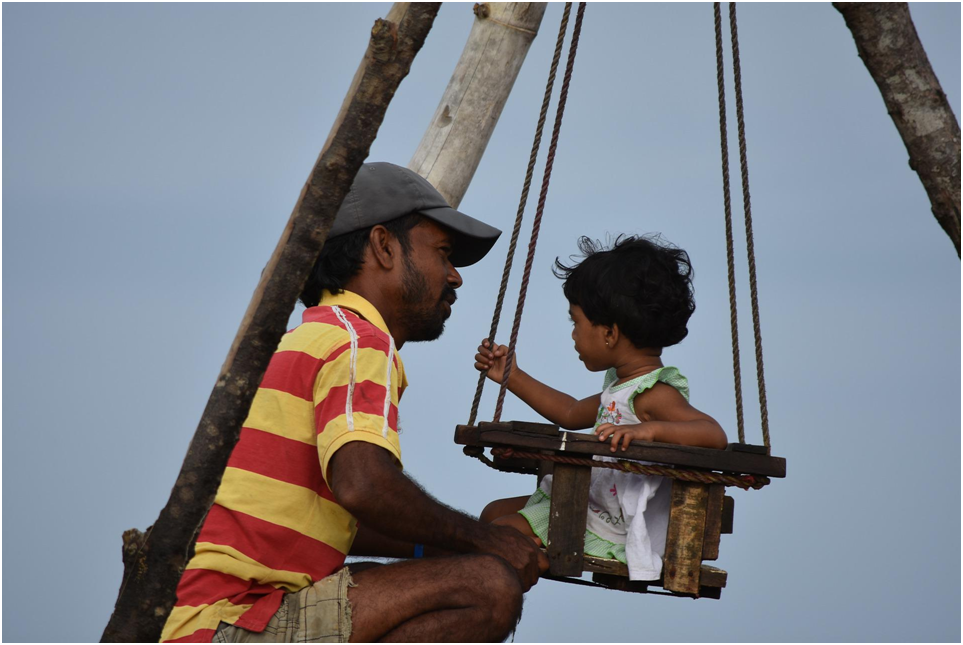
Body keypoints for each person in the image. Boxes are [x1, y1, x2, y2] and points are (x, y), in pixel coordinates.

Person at [160, 162, 548, 644]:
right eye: (444, 254)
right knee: (486, 589)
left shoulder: (304, 338)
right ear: (383, 246)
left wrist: (467, 546)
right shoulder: (359, 341)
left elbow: (342, 521)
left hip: (200, 620)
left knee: (475, 569)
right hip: (236, 620)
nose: (455, 277)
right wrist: (488, 543)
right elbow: (364, 486)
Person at [474, 235, 727, 581]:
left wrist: (648, 431)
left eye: (576, 322)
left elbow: (713, 434)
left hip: (607, 523)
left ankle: (539, 561)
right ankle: (528, 557)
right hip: (585, 502)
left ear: (609, 334)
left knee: (499, 534)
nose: (574, 335)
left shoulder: (654, 394)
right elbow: (570, 411)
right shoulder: (619, 388)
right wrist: (511, 376)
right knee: (491, 516)